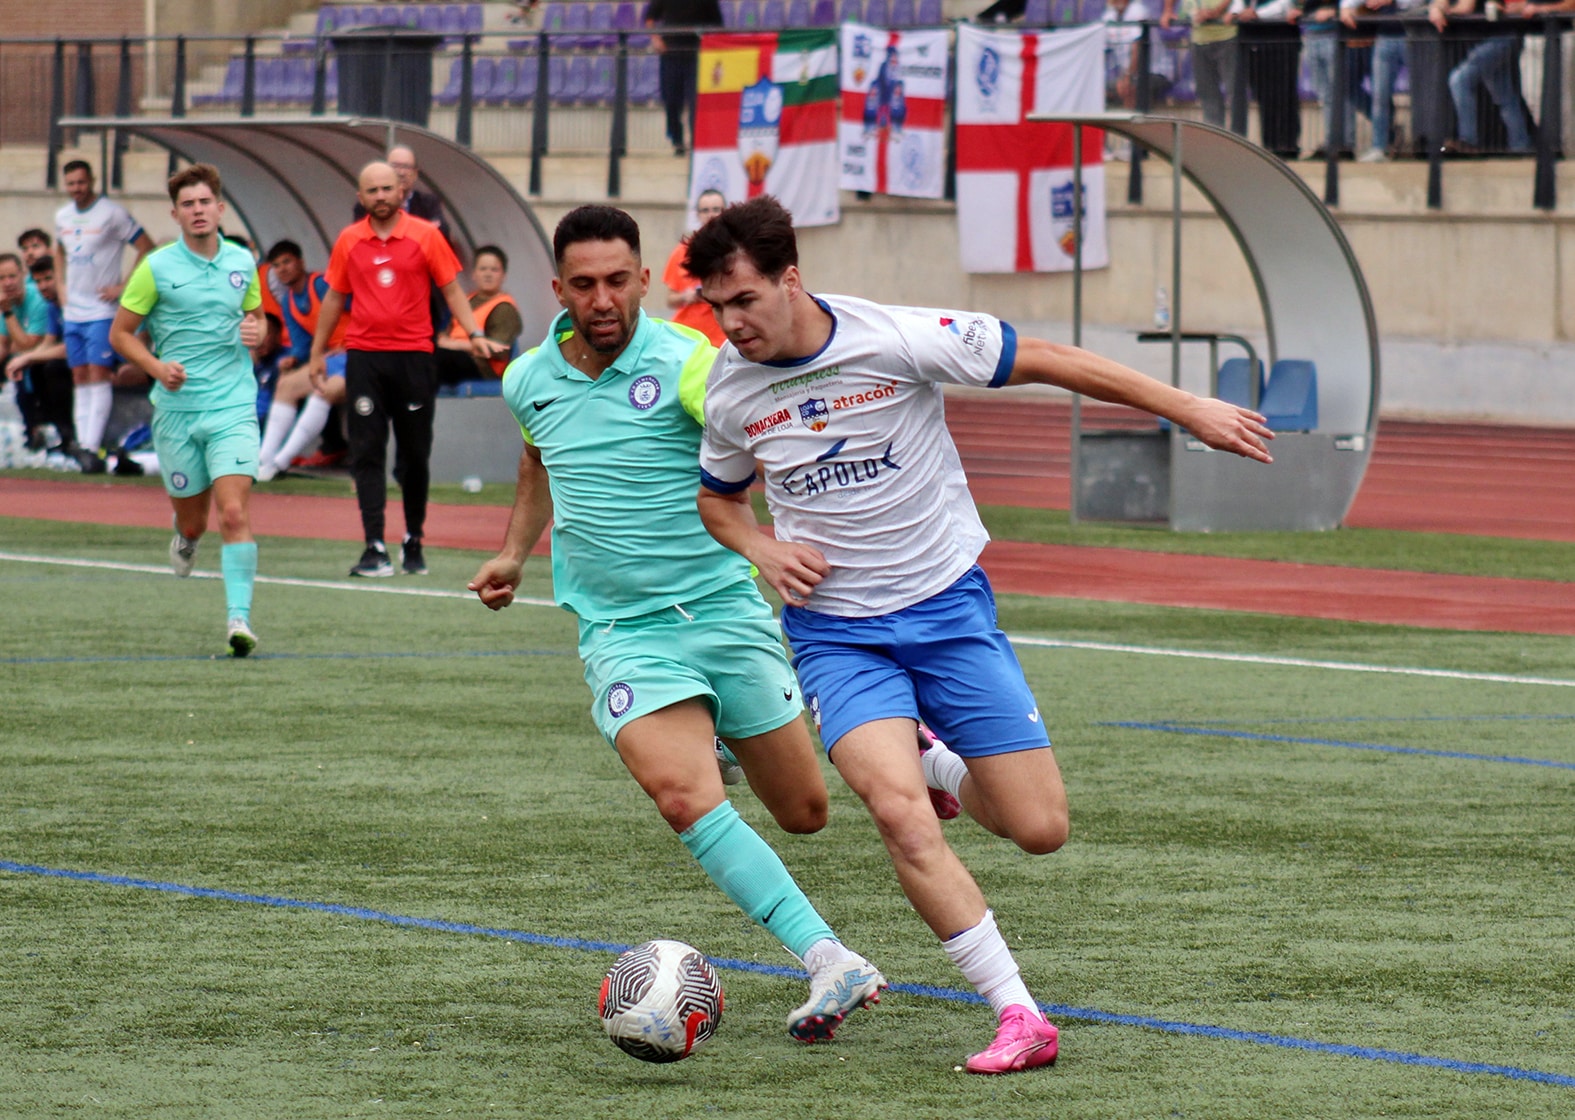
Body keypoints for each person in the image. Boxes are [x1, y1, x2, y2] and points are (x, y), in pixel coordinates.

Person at [686, 196, 1274, 1074]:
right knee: (896, 818)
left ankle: (938, 764)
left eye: (744, 301)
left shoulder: (895, 338)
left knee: (1038, 827)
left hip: (948, 612)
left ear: (789, 278)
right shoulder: (733, 391)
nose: (731, 325)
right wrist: (762, 548)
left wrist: (1184, 406)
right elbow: (717, 500)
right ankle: (1017, 1014)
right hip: (836, 637)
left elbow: (1047, 358)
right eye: (717, 307)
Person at [467, 204, 886, 1043]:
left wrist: (775, 542)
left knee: (804, 812)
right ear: (557, 289)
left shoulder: (691, 361)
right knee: (680, 797)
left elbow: (763, 439)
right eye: (583, 285)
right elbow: (535, 459)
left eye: (618, 281)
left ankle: (740, 736)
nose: (602, 299)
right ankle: (828, 957)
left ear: (644, 281)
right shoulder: (528, 379)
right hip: (623, 629)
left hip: (723, 611)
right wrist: (515, 553)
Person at [308, 161, 505, 578]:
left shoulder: (426, 235)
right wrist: (316, 353)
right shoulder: (348, 240)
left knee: (414, 456)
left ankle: (413, 539)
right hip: (365, 357)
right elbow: (333, 299)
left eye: (386, 189)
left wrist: (473, 334)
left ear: (401, 192)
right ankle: (373, 546)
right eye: (371, 191)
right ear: (360, 198)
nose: (380, 196)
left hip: (416, 357)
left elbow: (452, 288)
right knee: (366, 451)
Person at [108, 163, 267, 657]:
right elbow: (119, 335)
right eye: (188, 205)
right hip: (177, 412)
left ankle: (238, 619)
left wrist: (259, 335)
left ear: (220, 209)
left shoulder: (243, 262)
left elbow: (258, 324)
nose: (198, 211)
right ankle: (185, 537)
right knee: (196, 522)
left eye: (206, 203)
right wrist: (156, 368)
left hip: (234, 405)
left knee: (234, 512)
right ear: (175, 214)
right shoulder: (155, 267)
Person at [55, 159, 155, 470]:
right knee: (79, 375)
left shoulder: (112, 213)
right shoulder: (62, 215)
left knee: (98, 374)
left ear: (92, 181)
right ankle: (83, 450)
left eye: (81, 183)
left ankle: (90, 446)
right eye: (71, 183)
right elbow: (59, 249)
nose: (76, 189)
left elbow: (146, 246)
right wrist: (60, 286)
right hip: (74, 309)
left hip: (101, 309)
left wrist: (123, 286)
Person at [255, 239, 348, 481]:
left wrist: (349, 343)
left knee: (323, 389)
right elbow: (303, 345)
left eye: (287, 262)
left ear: (301, 263)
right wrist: (293, 358)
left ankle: (280, 462)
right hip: (330, 359)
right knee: (285, 384)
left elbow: (361, 308)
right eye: (276, 265)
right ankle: (263, 459)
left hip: (357, 353)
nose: (282, 269)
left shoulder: (320, 284)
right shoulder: (289, 301)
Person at [1431, 0, 1534, 155]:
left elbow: (1466, 7)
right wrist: (1437, 8)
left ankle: (1468, 140)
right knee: (1505, 96)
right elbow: (1440, 3)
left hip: (1501, 37)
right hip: (1491, 38)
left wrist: (1446, 11)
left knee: (1459, 80)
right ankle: (1521, 145)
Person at [5, 255, 73, 454]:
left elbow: (70, 348)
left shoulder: (72, 304)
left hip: (88, 362)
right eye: (38, 281)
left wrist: (28, 356)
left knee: (50, 367)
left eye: (48, 279)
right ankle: (38, 433)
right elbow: (48, 342)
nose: (43, 286)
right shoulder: (52, 305)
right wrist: (23, 360)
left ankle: (69, 435)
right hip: (66, 360)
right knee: (29, 367)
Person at [643, 0, 723, 156]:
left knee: (696, 102)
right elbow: (649, 18)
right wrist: (655, 38)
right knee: (671, 100)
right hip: (670, 54)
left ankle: (696, 144)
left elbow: (718, 25)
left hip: (696, 55)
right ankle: (677, 141)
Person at [435, 244, 521, 383]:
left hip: (482, 368)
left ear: (503, 275)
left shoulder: (504, 308)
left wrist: (456, 345)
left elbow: (500, 350)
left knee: (443, 357)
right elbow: (447, 334)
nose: (488, 274)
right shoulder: (466, 300)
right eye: (483, 269)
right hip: (456, 358)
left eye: (494, 270)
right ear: (474, 274)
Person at [661, 189, 727, 347]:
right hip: (688, 337)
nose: (711, 215)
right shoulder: (683, 250)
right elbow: (670, 300)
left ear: (725, 212)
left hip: (724, 337)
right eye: (705, 210)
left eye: (716, 209)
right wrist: (686, 297)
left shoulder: (734, 249)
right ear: (698, 214)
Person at [1162, 0, 1239, 128]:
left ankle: (1239, 142)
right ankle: (1214, 141)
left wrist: (1215, 12)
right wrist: (1168, 10)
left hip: (1227, 35)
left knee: (1235, 93)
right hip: (1198, 37)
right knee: (1207, 95)